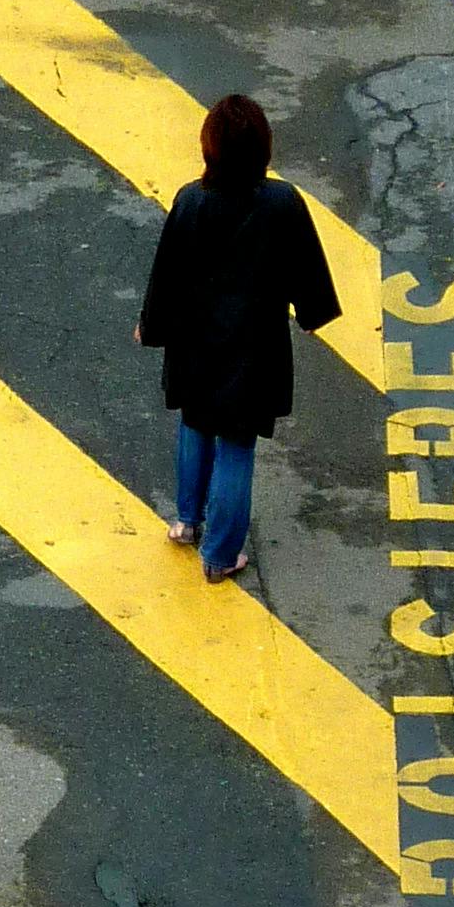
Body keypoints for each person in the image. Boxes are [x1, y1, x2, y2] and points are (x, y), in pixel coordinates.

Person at [136, 93, 339, 583]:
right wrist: (312, 314)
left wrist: (153, 325)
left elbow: (167, 274)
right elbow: (306, 273)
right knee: (236, 443)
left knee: (195, 423)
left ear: (209, 148)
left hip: (194, 341)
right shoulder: (281, 203)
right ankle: (221, 554)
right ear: (263, 150)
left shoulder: (191, 201)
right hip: (254, 349)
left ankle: (187, 519)